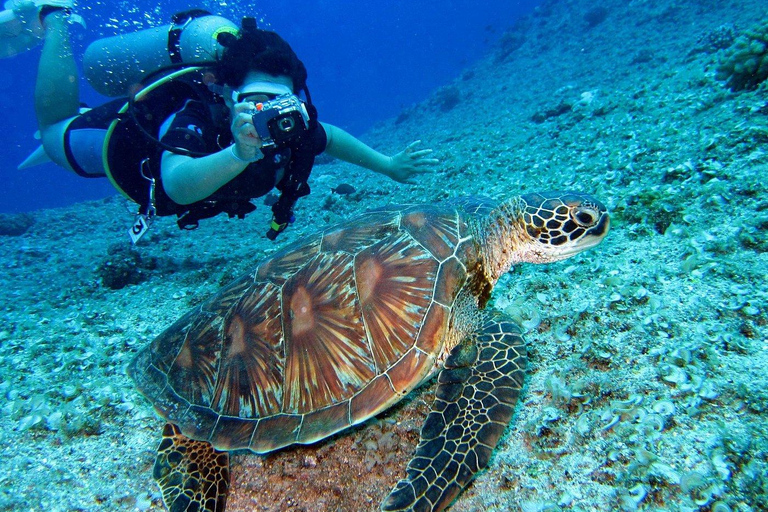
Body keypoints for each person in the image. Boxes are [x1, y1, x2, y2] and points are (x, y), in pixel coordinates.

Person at [26, 6, 439, 240]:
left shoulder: (289, 124)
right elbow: (178, 184)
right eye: (256, 100)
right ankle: (55, 19)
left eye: (283, 101)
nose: (269, 114)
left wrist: (388, 165)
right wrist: (238, 153)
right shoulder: (196, 116)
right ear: (224, 92)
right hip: (117, 145)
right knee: (52, 133)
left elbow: (328, 137)